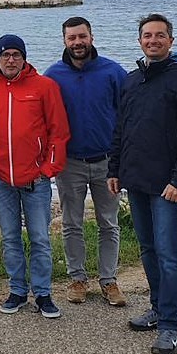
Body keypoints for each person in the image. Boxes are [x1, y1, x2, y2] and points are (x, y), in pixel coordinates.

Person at [108, 13, 177, 354]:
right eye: (147, 36)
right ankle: (156, 307)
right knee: (148, 250)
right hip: (136, 180)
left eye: (160, 35)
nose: (153, 40)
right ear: (139, 41)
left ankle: (170, 325)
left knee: (169, 254)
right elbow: (122, 129)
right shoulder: (132, 81)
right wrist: (114, 169)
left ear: (171, 41)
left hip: (168, 186)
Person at [0, 34, 70, 318]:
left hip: (35, 180)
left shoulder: (45, 87)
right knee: (10, 237)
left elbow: (58, 132)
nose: (10, 60)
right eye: (5, 55)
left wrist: (48, 168)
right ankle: (17, 290)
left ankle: (43, 293)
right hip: (0, 179)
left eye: (15, 54)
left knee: (40, 238)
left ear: (24, 57)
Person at [44, 16, 129, 307]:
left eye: (82, 37)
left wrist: (124, 157)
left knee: (109, 222)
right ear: (64, 41)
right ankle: (77, 279)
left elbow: (127, 115)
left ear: (91, 37)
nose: (77, 43)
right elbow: (42, 120)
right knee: (71, 223)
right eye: (72, 38)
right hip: (69, 163)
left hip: (107, 162)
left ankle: (109, 281)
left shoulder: (113, 72)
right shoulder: (53, 76)